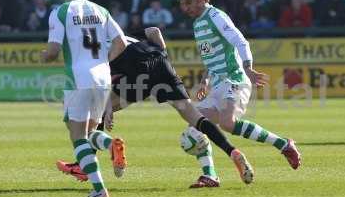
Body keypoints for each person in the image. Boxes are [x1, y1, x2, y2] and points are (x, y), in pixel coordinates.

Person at [57, 26, 255, 188]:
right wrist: (163, 55)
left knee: (93, 113)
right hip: (161, 63)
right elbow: (154, 31)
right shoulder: (123, 33)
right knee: (193, 116)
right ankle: (233, 152)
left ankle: (93, 159)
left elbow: (104, 82)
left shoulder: (92, 53)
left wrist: (107, 108)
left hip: (136, 72)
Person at [177, 0, 301, 176]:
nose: (185, 8)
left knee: (228, 123)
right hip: (217, 85)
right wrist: (204, 81)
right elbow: (210, 57)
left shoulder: (216, 16)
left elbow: (241, 41)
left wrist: (249, 69)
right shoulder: (198, 23)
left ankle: (283, 144)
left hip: (234, 79)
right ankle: (210, 175)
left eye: (189, 3)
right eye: (183, 4)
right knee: (195, 126)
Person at [41, 0, 128, 197]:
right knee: (90, 132)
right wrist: (103, 63)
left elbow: (53, 51)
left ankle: (99, 188)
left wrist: (44, 56)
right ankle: (109, 145)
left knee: (77, 135)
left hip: (77, 78)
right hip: (102, 77)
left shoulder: (60, 12)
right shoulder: (101, 10)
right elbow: (121, 43)